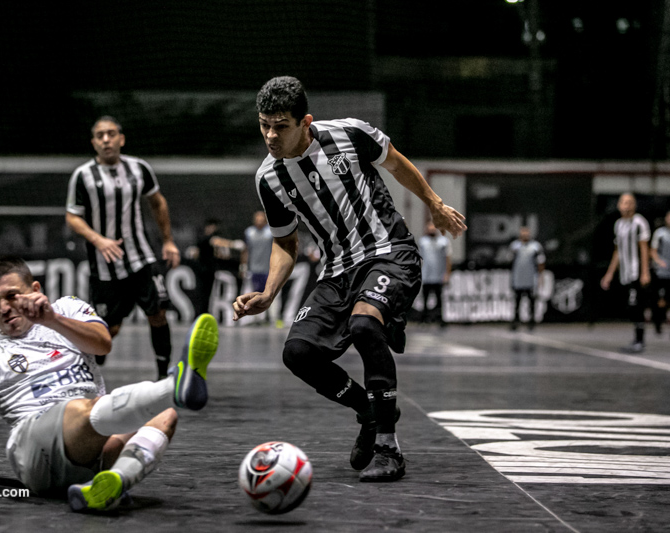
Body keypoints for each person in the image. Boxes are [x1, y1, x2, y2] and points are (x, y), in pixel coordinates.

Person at [232, 76, 466, 482]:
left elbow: (396, 162)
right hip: (337, 271)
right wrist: (269, 293)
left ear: (305, 122)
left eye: (280, 125)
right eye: (264, 124)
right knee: (298, 353)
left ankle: (389, 448)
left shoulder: (349, 133)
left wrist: (435, 204)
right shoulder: (268, 178)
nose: (270, 135)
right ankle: (370, 410)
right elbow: (285, 242)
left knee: (364, 324)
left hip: (388, 252)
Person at [0, 256, 219, 511]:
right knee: (84, 408)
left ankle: (111, 483)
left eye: (11, 296)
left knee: (164, 415)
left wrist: (52, 319)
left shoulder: (66, 308)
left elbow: (102, 343)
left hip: (91, 450)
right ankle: (173, 388)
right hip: (37, 452)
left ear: (35, 291)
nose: (5, 307)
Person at [66, 116, 181, 378]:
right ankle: (90, 370)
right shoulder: (83, 176)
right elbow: (72, 216)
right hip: (104, 266)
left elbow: (158, 202)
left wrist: (168, 241)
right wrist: (99, 239)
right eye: (100, 135)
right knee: (109, 329)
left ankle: (164, 377)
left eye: (111, 134)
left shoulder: (139, 168)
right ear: (94, 143)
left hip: (141, 257)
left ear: (121, 138)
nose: (106, 139)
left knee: (158, 313)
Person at [600, 193, 651, 353]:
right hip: (625, 272)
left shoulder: (639, 223)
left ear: (634, 205)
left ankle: (639, 340)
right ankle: (636, 338)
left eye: (629, 202)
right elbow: (618, 252)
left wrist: (645, 272)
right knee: (630, 306)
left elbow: (644, 249)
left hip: (636, 272)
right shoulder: (619, 225)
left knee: (636, 305)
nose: (626, 205)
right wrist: (609, 274)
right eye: (623, 202)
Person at [508, 226, 545, 331]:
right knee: (517, 302)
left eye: (526, 233)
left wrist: (540, 276)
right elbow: (510, 261)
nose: (525, 235)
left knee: (531, 302)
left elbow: (541, 262)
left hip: (530, 279)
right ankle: (515, 321)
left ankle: (531, 322)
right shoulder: (515, 246)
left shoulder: (536, 247)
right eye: (523, 233)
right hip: (518, 278)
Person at [418, 221, 452, 327]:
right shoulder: (422, 241)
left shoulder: (444, 241)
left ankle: (440, 319)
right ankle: (424, 319)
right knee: (425, 298)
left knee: (439, 298)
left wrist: (447, 273)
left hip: (438, 275)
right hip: (426, 275)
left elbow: (448, 258)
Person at [650, 210, 670, 335]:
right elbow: (653, 250)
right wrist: (659, 261)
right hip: (660, 272)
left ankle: (662, 317)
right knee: (658, 299)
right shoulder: (660, 233)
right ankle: (657, 321)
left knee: (667, 299)